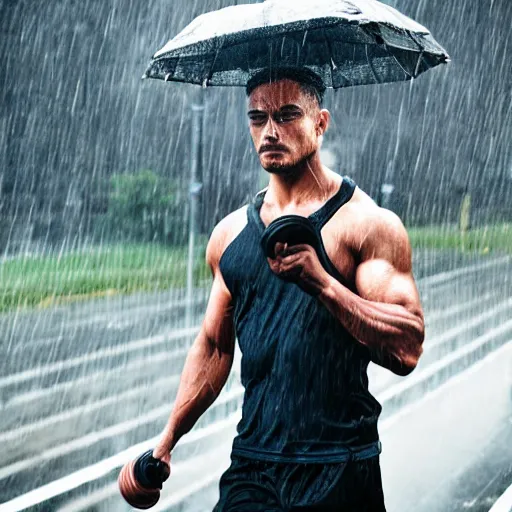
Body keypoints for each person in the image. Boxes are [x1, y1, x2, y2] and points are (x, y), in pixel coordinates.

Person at [152, 67, 425, 511]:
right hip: (253, 467)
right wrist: (166, 442)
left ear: (321, 122)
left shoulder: (368, 225)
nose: (270, 131)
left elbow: (407, 347)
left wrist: (323, 284)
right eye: (257, 118)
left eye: (287, 115)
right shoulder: (228, 236)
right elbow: (214, 347)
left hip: (339, 465)